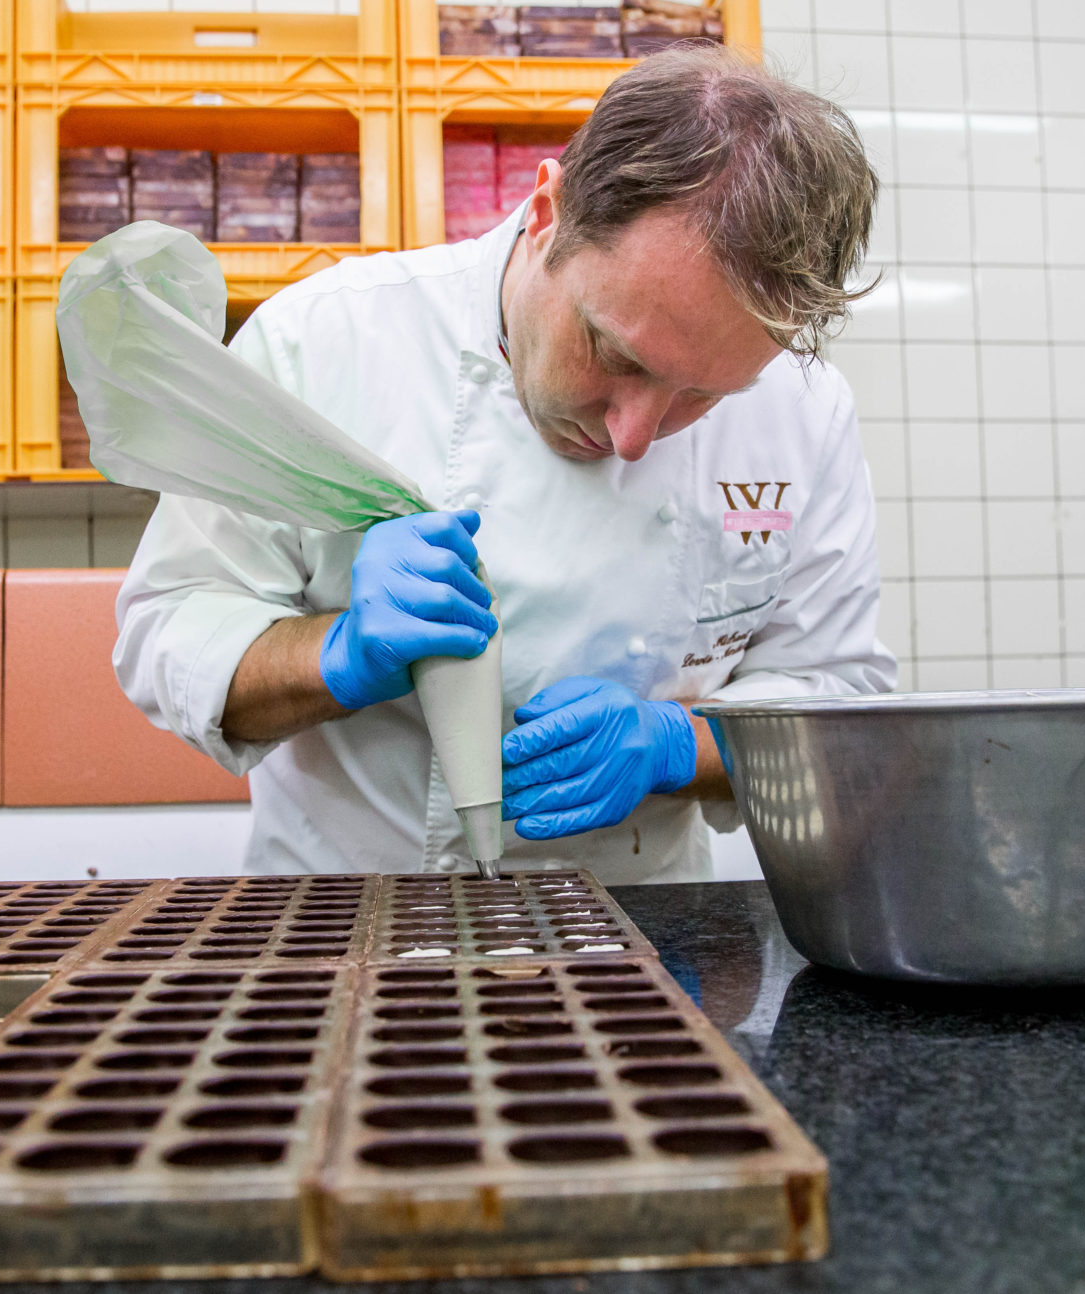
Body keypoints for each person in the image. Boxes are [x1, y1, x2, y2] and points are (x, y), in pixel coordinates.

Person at [115, 46, 895, 883]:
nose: (634, 435)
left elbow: (837, 704)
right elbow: (169, 637)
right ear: (547, 213)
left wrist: (681, 745)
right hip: (344, 914)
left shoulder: (803, 413)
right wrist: (336, 653)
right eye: (614, 353)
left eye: (702, 395)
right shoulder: (323, 341)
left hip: (644, 928)